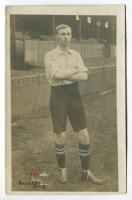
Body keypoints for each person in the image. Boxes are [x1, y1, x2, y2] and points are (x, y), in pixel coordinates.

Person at [44, 24, 103, 184]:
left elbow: (84, 76)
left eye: (69, 34)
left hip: (74, 94)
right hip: (58, 95)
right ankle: (62, 171)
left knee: (83, 134)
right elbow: (55, 75)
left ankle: (86, 172)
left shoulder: (76, 54)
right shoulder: (50, 55)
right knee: (60, 134)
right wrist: (74, 71)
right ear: (56, 36)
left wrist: (67, 75)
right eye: (63, 34)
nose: (66, 37)